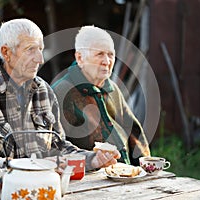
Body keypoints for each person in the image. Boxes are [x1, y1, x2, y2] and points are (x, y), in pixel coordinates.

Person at [0, 18, 120, 173]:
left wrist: (93, 159)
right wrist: (33, 165)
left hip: (41, 189)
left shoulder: (43, 90)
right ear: (6, 52)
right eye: (31, 50)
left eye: (41, 49)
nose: (40, 58)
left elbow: (58, 146)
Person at [51, 25, 150, 165]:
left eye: (110, 54)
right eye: (99, 54)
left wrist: (145, 168)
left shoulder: (112, 89)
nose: (107, 61)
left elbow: (133, 132)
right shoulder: (61, 92)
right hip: (89, 179)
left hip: (124, 175)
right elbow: (54, 146)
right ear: (80, 58)